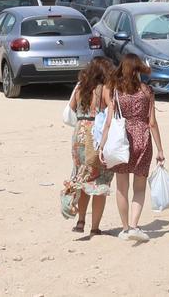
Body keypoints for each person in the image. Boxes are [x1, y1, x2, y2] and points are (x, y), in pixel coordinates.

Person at [98, 54, 164, 241]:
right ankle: (135, 226)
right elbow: (152, 123)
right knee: (139, 188)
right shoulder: (147, 91)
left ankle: (125, 228)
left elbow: (109, 123)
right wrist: (160, 149)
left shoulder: (116, 92)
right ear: (138, 70)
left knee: (121, 187)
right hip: (143, 139)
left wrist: (101, 146)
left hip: (122, 140)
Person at [68, 58, 114, 235]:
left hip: (79, 134)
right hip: (95, 134)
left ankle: (80, 222)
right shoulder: (104, 89)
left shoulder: (80, 87)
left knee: (83, 179)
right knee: (99, 182)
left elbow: (71, 108)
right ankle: (95, 228)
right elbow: (112, 110)